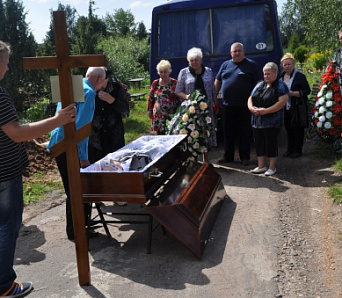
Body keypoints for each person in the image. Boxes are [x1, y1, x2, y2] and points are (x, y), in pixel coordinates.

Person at [0, 40, 76, 297]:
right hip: (5, 174)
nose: (8, 69)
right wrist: (58, 120)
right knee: (7, 228)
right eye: (6, 63)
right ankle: (4, 286)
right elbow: (17, 133)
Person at [48, 66, 106, 241]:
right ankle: (77, 230)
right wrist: (83, 158)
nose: (103, 84)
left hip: (58, 142)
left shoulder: (74, 86)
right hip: (69, 145)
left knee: (72, 189)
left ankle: (76, 227)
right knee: (79, 189)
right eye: (103, 80)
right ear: (98, 80)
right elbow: (81, 130)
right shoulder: (88, 93)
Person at [215, 42, 262, 166]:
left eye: (239, 51)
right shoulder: (225, 65)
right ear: (230, 53)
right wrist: (214, 96)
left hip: (244, 106)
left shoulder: (251, 65)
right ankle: (228, 156)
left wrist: (256, 98)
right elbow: (218, 80)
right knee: (228, 132)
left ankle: (244, 157)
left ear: (243, 52)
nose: (237, 53)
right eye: (234, 51)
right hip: (227, 105)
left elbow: (259, 82)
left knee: (244, 132)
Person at [175, 47, 218, 162]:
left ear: (201, 60)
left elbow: (213, 90)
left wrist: (216, 103)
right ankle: (192, 160)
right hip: (190, 110)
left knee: (206, 133)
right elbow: (178, 91)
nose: (194, 62)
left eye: (196, 60)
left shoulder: (208, 71)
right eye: (191, 60)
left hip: (206, 108)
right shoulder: (183, 72)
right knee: (191, 133)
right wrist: (187, 97)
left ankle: (206, 160)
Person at [247, 62, 289, 176]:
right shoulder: (260, 85)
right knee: (259, 143)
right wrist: (251, 108)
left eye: (268, 74)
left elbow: (281, 103)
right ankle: (261, 166)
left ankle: (272, 167)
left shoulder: (281, 86)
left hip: (272, 122)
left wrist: (265, 111)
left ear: (276, 73)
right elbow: (250, 97)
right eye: (264, 74)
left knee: (271, 144)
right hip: (257, 121)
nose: (266, 76)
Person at [88, 69, 130, 164]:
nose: (99, 84)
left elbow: (125, 110)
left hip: (114, 136)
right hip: (96, 138)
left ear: (107, 79)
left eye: (102, 81)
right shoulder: (89, 90)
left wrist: (112, 100)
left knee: (116, 166)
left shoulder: (116, 88)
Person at [279, 53, 311, 158]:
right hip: (285, 107)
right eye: (285, 65)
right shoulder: (281, 76)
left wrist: (295, 93)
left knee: (298, 129)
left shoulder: (300, 76)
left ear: (293, 64)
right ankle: (290, 149)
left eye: (289, 64)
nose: (287, 66)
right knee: (288, 129)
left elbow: (307, 90)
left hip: (297, 107)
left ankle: (298, 150)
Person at [147, 60, 179, 135]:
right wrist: (149, 110)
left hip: (171, 115)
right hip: (158, 117)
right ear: (158, 72)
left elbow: (179, 98)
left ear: (169, 71)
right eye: (161, 72)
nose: (163, 74)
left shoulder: (174, 83)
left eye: (165, 71)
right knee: (160, 137)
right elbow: (150, 98)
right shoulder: (155, 83)